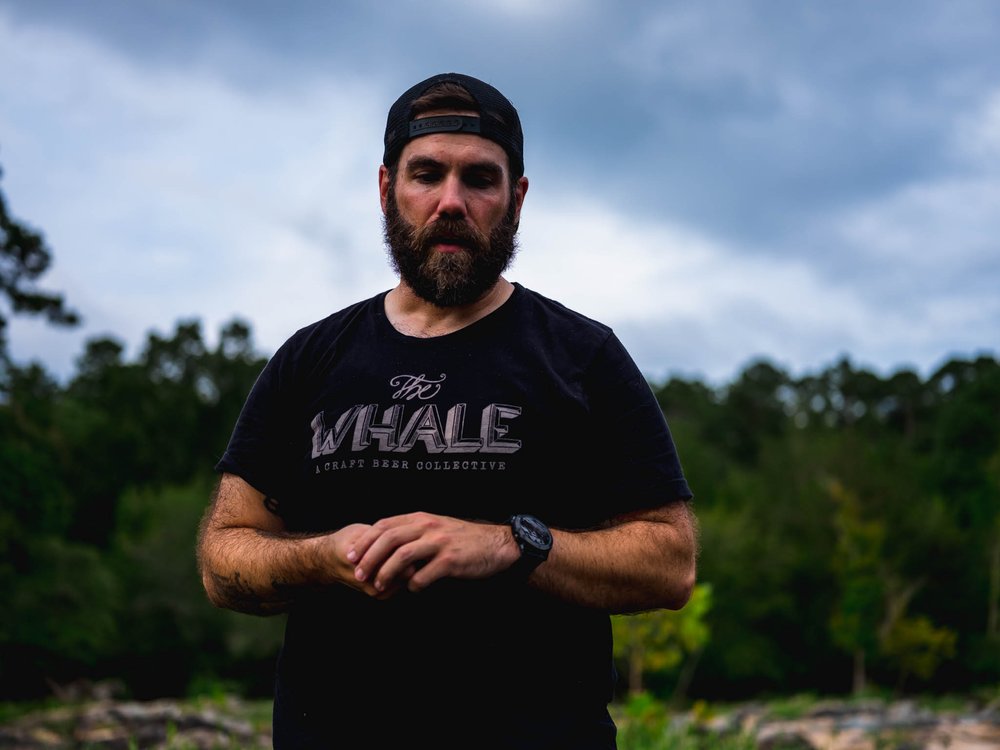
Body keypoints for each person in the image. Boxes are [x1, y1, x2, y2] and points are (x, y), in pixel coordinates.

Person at [196, 71, 698, 750]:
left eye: (480, 179)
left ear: (516, 199)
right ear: (385, 189)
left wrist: (510, 545)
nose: (451, 202)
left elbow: (671, 562)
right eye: (426, 173)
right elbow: (223, 554)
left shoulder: (583, 358)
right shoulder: (310, 359)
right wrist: (324, 556)